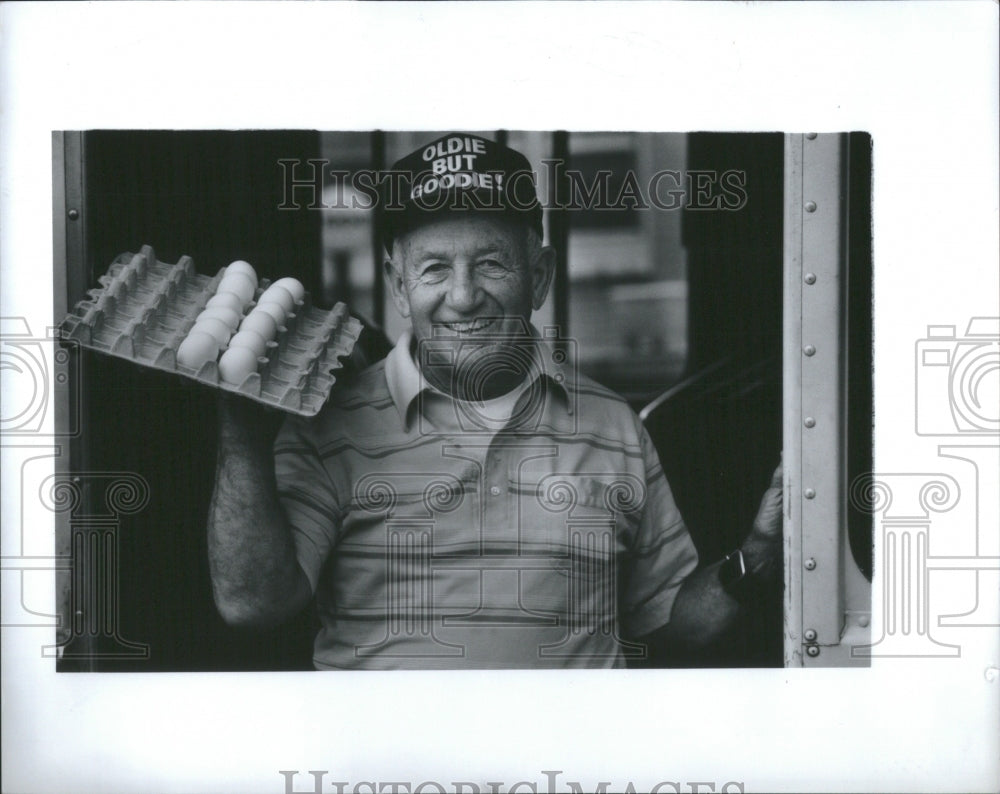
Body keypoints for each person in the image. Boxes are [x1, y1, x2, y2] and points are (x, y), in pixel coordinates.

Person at [207, 133, 782, 669]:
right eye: (434, 269)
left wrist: (757, 553)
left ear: (539, 276)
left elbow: (670, 624)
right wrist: (240, 427)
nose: (463, 297)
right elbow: (252, 603)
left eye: (490, 263)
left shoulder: (614, 426)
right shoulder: (332, 423)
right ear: (399, 286)